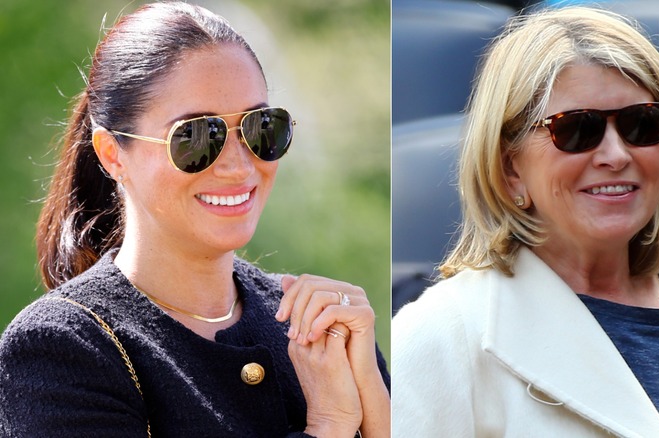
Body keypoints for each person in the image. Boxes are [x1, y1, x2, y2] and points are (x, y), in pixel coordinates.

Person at [0, 3, 389, 437]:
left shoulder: (321, 327)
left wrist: (370, 383)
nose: (239, 167)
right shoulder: (61, 349)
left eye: (260, 127)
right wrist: (330, 425)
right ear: (113, 154)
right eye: (197, 136)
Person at [392, 6, 659, 437]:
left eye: (642, 124)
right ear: (510, 169)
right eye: (577, 130)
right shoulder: (439, 339)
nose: (616, 155)